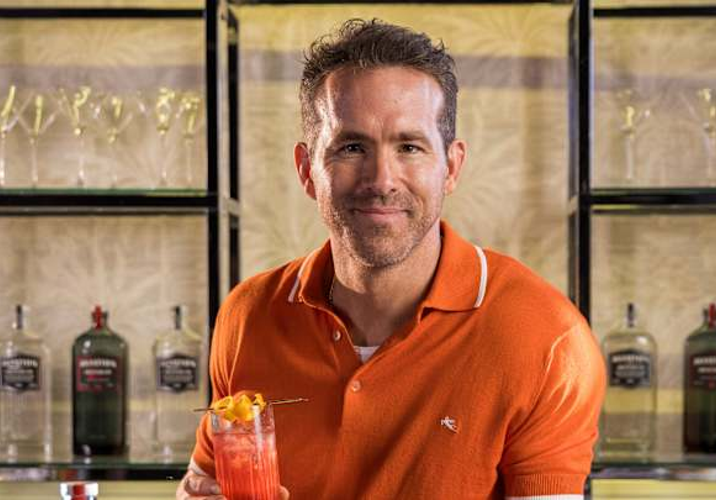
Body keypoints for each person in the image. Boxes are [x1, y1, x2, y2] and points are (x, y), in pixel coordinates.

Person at [177, 18, 605, 500]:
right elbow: (204, 485)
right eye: (351, 147)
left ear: (451, 167)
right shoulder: (247, 316)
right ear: (307, 170)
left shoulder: (548, 339)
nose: (381, 180)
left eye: (409, 147)